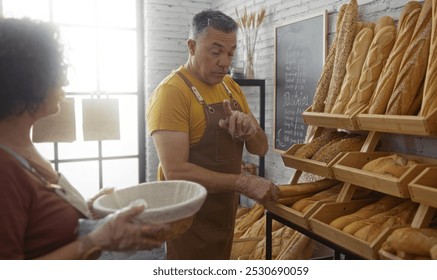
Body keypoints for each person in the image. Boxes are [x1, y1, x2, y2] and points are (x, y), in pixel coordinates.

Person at [0, 17, 169, 260]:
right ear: (23, 79)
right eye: (56, 71)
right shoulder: (4, 169)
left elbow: (38, 226)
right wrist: (98, 239)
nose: (65, 81)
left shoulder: (22, 146)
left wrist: (85, 210)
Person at [146, 9, 280, 260]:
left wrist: (250, 131)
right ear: (192, 46)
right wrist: (243, 182)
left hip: (223, 213)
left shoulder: (230, 87)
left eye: (230, 53)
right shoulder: (172, 93)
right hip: (187, 220)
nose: (225, 62)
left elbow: (260, 148)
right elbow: (176, 171)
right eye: (215, 51)